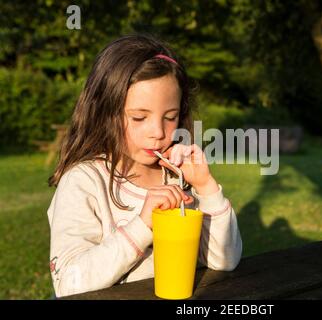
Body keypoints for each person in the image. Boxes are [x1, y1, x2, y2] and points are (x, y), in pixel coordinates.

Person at [47, 34, 242, 298]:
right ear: (105, 113)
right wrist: (142, 225)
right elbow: (68, 283)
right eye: (139, 117)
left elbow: (224, 261)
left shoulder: (176, 176)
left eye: (170, 117)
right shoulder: (84, 182)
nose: (158, 132)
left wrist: (206, 188)